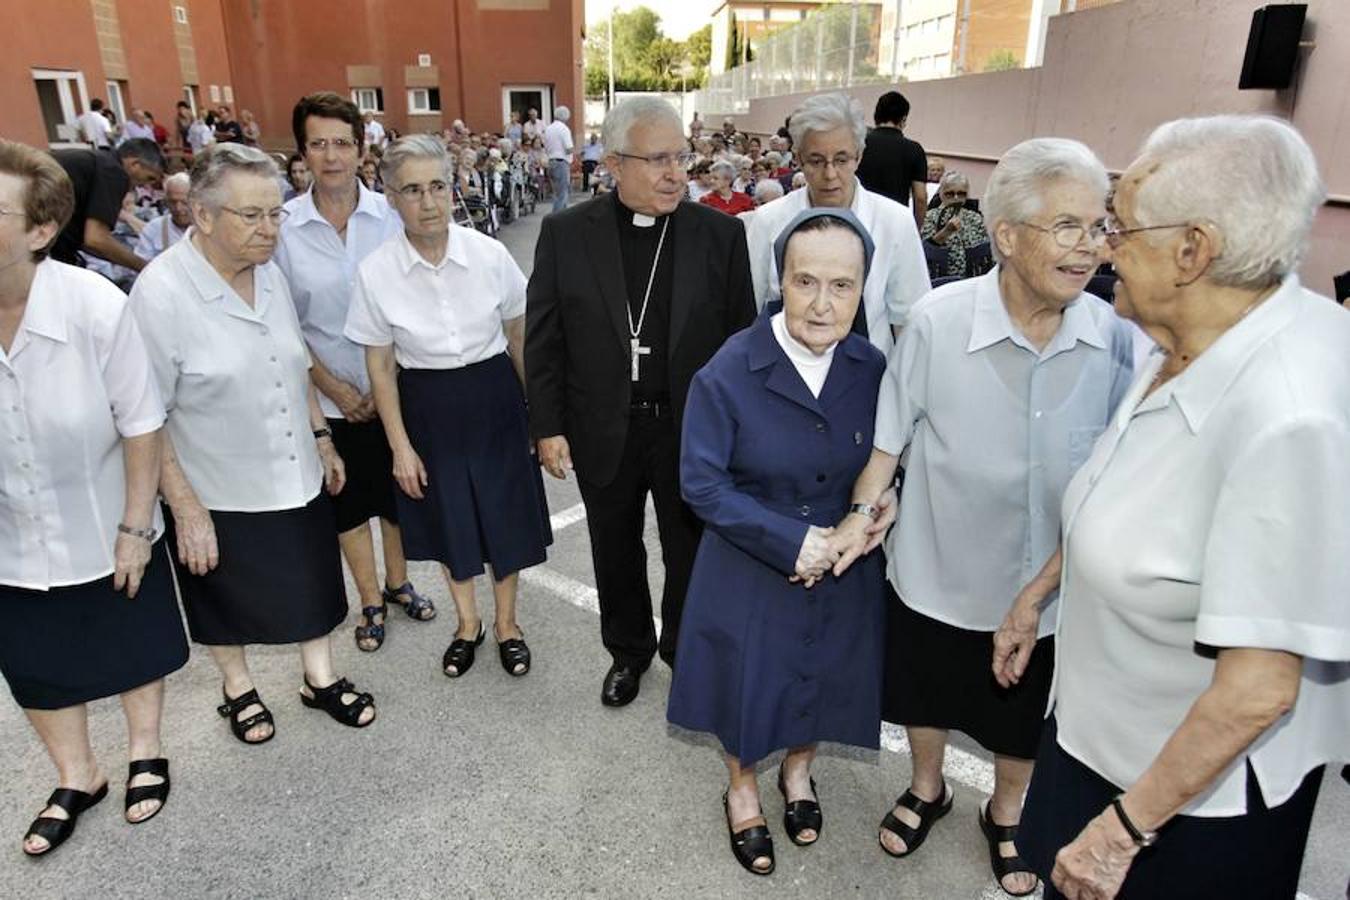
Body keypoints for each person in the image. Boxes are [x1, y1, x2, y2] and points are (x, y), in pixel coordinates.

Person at [1002, 115, 1350, 900]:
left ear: (1194, 250)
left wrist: (1119, 835)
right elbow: (1128, 487)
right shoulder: (1187, 337)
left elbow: (1260, 688)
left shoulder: (1288, 415)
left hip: (1180, 804)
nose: (1101, 246)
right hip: (1097, 731)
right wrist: (1038, 595)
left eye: (1119, 226)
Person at [831, 137, 1136, 896]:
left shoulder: (1115, 340)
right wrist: (861, 515)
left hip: (1053, 591)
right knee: (924, 697)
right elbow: (888, 445)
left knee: (1024, 718)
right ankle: (927, 788)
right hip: (937, 569)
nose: (1089, 246)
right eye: (1067, 226)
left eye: (1098, 226)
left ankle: (1005, 814)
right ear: (1006, 234)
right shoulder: (936, 323)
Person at [130, 143, 377, 744]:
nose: (270, 229)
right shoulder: (161, 293)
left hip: (293, 466)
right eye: (252, 216)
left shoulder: (266, 276)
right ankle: (238, 688)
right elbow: (144, 414)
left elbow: (293, 366)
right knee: (223, 592)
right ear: (203, 215)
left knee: (313, 578)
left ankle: (318, 678)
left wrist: (322, 438)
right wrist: (184, 507)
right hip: (217, 483)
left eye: (276, 214)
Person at [668, 208, 889, 876]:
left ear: (862, 290)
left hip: (844, 564)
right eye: (806, 282)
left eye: (842, 286)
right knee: (747, 685)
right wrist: (793, 542)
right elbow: (700, 485)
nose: (823, 303)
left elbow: (891, 456)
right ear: (781, 283)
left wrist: (881, 507)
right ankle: (742, 789)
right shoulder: (729, 369)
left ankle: (799, 774)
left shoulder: (873, 365)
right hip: (751, 561)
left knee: (822, 676)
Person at [525, 96, 756, 706]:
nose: (675, 172)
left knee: (691, 550)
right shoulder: (566, 233)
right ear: (615, 164)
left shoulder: (721, 236)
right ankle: (628, 652)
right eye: (657, 159)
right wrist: (547, 426)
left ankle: (687, 651)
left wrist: (741, 435)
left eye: (680, 157)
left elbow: (743, 345)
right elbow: (544, 339)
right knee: (613, 548)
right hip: (604, 424)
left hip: (689, 430)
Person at [0, 140, 188, 857]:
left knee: (128, 641)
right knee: (35, 659)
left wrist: (136, 527)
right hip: (12, 529)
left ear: (41, 231)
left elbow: (142, 422)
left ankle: (146, 751)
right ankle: (78, 774)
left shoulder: (94, 305)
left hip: (104, 513)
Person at [346, 135, 551, 678]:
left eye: (437, 185)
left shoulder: (489, 255)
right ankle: (468, 625)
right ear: (390, 197)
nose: (429, 201)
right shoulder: (376, 273)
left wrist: (542, 416)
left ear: (453, 186)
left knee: (504, 520)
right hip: (427, 407)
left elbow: (518, 340)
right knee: (449, 522)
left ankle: (508, 625)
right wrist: (399, 447)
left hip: (495, 400)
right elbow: (381, 369)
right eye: (412, 190)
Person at [275, 91, 434, 655]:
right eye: (318, 144)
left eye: (342, 143)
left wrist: (379, 382)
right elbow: (283, 322)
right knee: (347, 500)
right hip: (326, 394)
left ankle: (398, 584)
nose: (331, 155)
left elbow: (412, 295)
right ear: (302, 153)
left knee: (395, 493)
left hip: (391, 386)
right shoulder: (284, 228)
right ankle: (369, 600)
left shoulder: (390, 217)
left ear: (361, 149)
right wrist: (334, 385)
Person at [744, 92, 930, 357]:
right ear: (797, 158)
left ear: (859, 156)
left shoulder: (895, 222)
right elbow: (750, 309)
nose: (830, 174)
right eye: (816, 161)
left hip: (869, 385)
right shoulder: (768, 222)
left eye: (842, 160)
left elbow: (909, 323)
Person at [50, 138, 165, 273]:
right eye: (149, 178)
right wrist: (146, 268)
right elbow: (96, 239)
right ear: (135, 164)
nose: (145, 186)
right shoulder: (114, 172)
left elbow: (87, 241)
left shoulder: (95, 161)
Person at [857, 91, 928, 227]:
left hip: (861, 220)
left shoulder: (858, 144)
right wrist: (916, 230)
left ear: (876, 116)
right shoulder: (914, 149)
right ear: (903, 120)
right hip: (895, 222)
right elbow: (920, 198)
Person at [921, 171, 988, 278]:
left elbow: (985, 252)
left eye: (961, 194)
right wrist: (946, 232)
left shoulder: (975, 218)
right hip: (938, 278)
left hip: (970, 278)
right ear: (941, 194)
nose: (956, 198)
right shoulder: (929, 217)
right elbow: (925, 251)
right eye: (950, 194)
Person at [133, 171, 191, 261]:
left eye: (184, 202)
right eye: (173, 202)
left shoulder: (210, 228)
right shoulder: (154, 228)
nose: (178, 208)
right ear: (166, 201)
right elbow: (142, 263)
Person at [544, 106, 574, 213]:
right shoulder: (564, 129)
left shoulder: (548, 128)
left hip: (551, 161)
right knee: (562, 193)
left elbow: (546, 147)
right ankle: (557, 217)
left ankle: (562, 216)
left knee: (556, 193)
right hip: (561, 162)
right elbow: (569, 148)